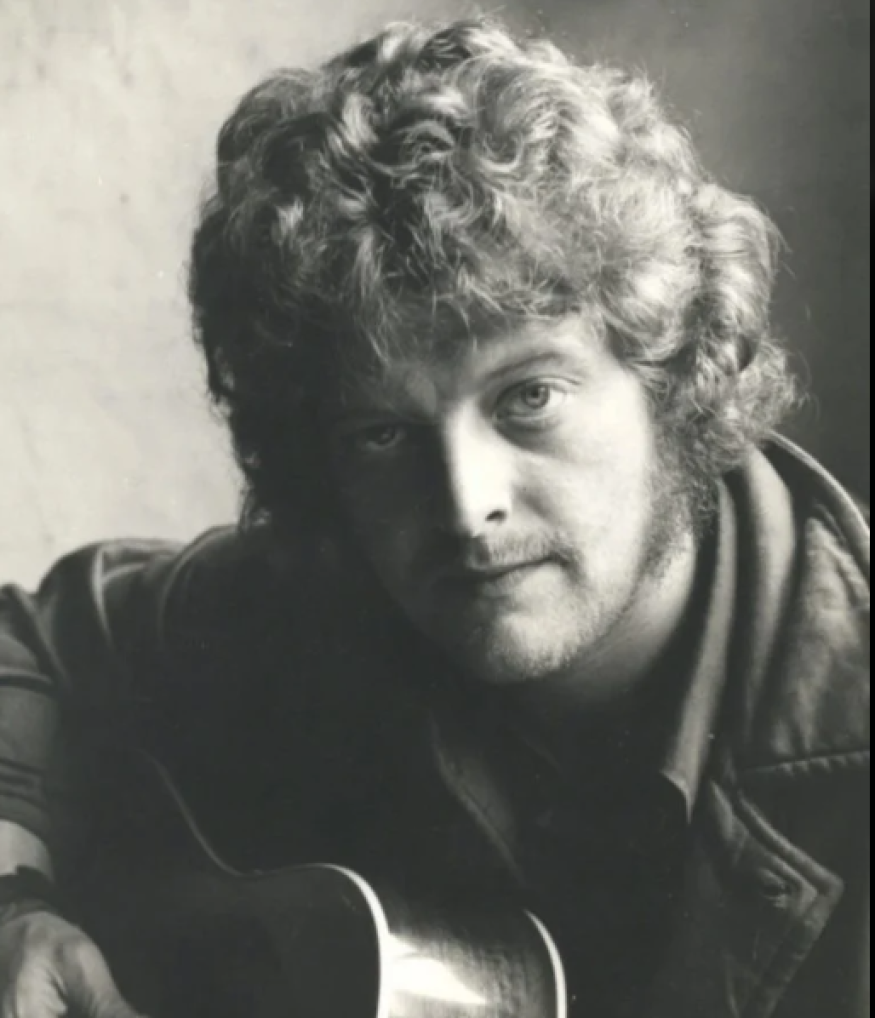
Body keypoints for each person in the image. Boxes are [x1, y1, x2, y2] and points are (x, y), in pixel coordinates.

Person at [0, 16, 869, 1018]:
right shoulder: (327, 591)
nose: (464, 502)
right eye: (382, 434)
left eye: (527, 398)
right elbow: (35, 641)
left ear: (671, 378)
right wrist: (17, 905)